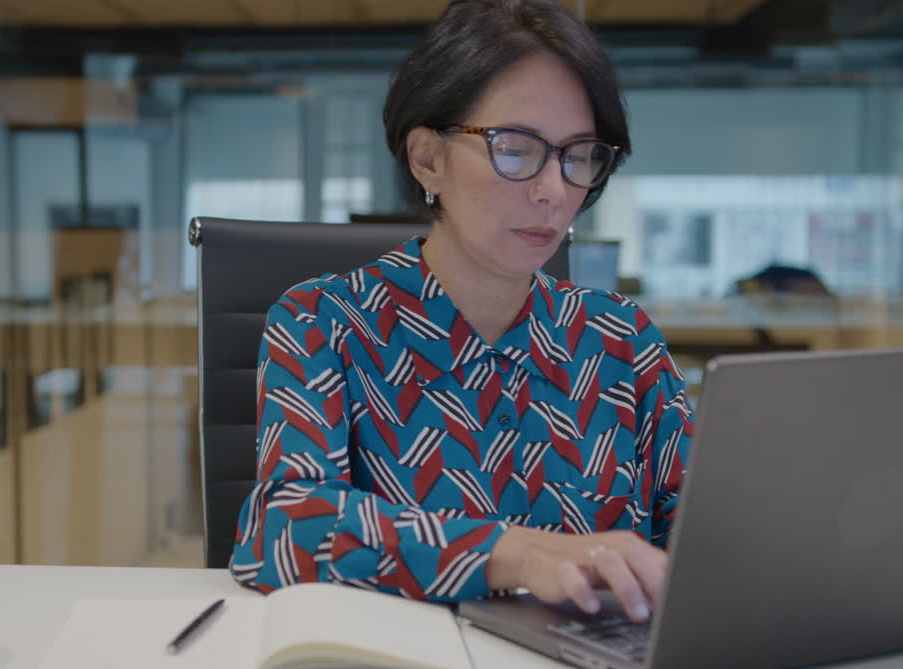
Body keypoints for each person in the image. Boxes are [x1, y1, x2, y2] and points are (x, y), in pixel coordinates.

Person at [230, 0, 693, 624]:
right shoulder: (324, 323)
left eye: (578, 155)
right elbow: (288, 528)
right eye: (516, 148)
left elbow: (707, 531)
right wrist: (517, 554)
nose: (554, 190)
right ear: (428, 158)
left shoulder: (620, 340)